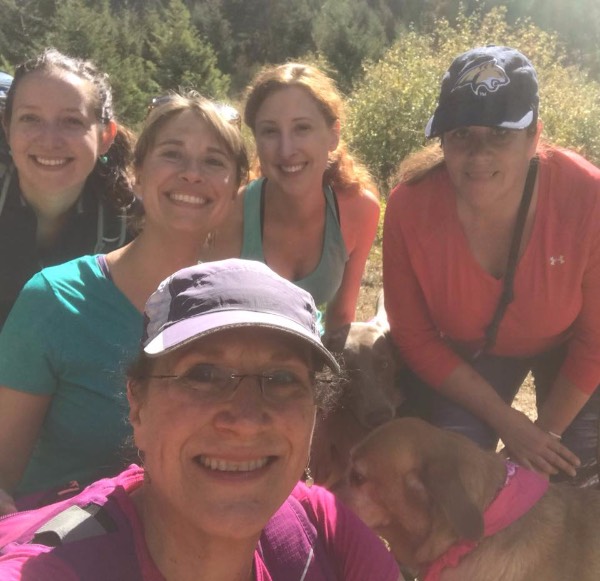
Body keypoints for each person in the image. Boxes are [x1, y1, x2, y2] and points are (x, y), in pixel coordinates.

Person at [0, 259, 402, 581]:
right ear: (138, 406)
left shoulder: (321, 529)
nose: (245, 421)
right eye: (203, 375)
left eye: (281, 379)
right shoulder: (55, 568)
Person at [0, 92, 249, 514]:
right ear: (135, 174)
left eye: (214, 161)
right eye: (172, 154)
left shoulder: (249, 316)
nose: (192, 174)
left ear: (237, 187)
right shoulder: (56, 301)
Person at [383, 45, 600, 486]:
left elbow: (596, 342)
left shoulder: (587, 197)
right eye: (462, 134)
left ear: (534, 137)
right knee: (451, 476)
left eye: (500, 134)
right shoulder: (410, 208)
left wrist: (544, 434)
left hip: (570, 348)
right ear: (442, 140)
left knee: (573, 474)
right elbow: (416, 338)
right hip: (472, 355)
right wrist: (510, 424)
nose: (479, 154)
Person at [205, 63, 379, 332]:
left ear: (333, 135)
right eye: (270, 131)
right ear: (257, 141)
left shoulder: (358, 210)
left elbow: (341, 318)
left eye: (302, 129)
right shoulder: (232, 215)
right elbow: (216, 322)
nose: (287, 150)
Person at [0, 48, 137, 327]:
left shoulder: (131, 226)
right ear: (7, 127)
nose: (50, 140)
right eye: (31, 118)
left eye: (72, 121)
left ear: (106, 136)